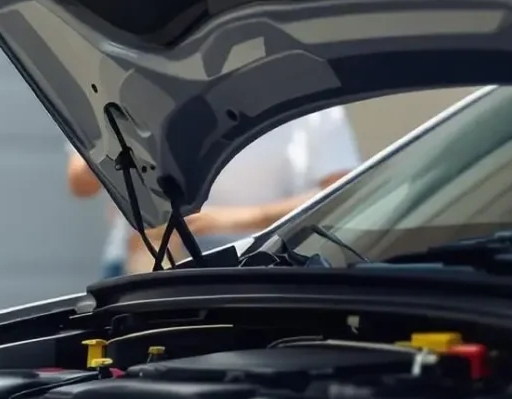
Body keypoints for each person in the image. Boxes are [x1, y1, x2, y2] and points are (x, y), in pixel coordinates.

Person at [66, 105, 364, 273]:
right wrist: (124, 132)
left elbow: (340, 193)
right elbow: (80, 182)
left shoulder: (306, 98)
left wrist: (220, 221)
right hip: (146, 260)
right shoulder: (144, 85)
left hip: (267, 264)